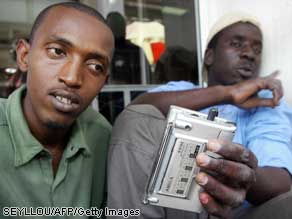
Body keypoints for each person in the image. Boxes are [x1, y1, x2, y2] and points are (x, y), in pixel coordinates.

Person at [107, 12, 292, 218]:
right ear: (210, 56)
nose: (249, 54)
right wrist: (227, 93)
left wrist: (230, 172)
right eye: (237, 44)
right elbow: (136, 116)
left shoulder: (265, 103)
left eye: (257, 49)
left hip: (222, 209)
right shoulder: (182, 90)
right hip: (162, 201)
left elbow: (280, 182)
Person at [0, 2, 114, 218]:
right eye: (57, 51)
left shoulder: (102, 137)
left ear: (104, 82)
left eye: (95, 66)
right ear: (24, 56)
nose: (72, 78)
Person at [106, 12, 150, 84]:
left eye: (119, 25)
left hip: (131, 91)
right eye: (114, 25)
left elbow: (143, 77)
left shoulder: (135, 51)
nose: (117, 28)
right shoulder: (103, 50)